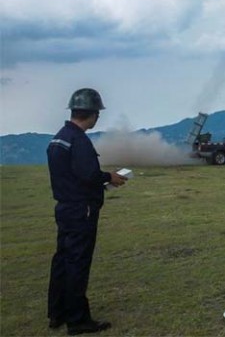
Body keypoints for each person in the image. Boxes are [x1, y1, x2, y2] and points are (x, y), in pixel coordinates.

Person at [47, 88, 128, 335]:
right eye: (97, 114)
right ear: (91, 114)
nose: (98, 118)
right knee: (77, 263)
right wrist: (110, 177)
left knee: (62, 259)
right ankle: (78, 319)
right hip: (82, 210)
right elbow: (89, 175)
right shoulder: (79, 140)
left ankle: (57, 312)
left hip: (65, 208)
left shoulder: (59, 138)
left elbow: (72, 175)